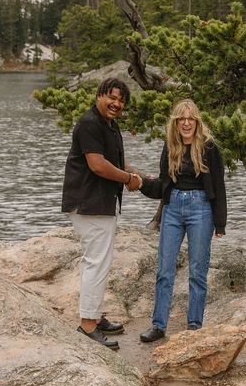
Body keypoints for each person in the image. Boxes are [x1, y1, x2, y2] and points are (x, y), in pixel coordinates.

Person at [61, 77, 145, 350]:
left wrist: (139, 176)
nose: (117, 104)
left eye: (121, 100)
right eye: (112, 97)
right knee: (95, 263)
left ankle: (95, 316)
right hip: (89, 203)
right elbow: (97, 165)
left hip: (102, 204)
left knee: (100, 262)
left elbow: (117, 163)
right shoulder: (89, 123)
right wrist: (127, 179)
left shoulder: (109, 125)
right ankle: (87, 326)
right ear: (99, 95)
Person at [137, 99, 226, 342]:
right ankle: (158, 325)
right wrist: (141, 183)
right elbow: (163, 185)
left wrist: (220, 224)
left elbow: (219, 185)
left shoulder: (209, 148)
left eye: (190, 119)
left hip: (201, 209)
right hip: (173, 208)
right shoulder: (170, 146)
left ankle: (194, 326)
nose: (186, 123)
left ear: (197, 122)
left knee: (197, 271)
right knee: (164, 270)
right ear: (175, 123)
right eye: (181, 119)